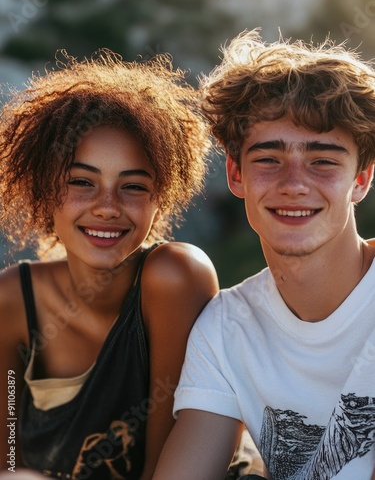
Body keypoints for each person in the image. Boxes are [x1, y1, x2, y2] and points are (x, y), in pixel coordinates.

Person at [153, 29, 375, 479]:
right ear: (236, 175)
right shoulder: (225, 329)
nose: (294, 182)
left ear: (361, 179)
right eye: (269, 158)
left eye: (324, 160)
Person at [0, 49, 219, 479]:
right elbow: (7, 457)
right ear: (44, 189)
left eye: (133, 186)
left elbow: (166, 465)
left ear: (162, 199)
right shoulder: (12, 299)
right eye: (82, 182)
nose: (107, 207)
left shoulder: (174, 278)